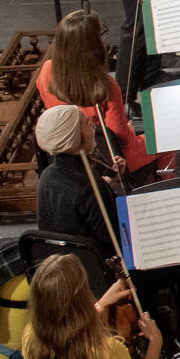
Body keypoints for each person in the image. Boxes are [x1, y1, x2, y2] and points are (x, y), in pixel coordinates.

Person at [23, 253, 161, 359]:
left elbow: (63, 329)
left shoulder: (29, 335)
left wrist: (100, 306)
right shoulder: (106, 348)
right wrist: (155, 341)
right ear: (83, 297)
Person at [37, 8, 159, 175]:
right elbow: (120, 140)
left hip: (70, 152)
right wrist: (129, 131)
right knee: (168, 140)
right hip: (107, 158)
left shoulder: (46, 70)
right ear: (93, 45)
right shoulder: (105, 86)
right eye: (102, 33)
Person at [33, 106, 114, 257]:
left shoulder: (48, 175)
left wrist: (108, 182)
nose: (93, 125)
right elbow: (114, 242)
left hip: (63, 264)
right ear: (74, 136)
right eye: (86, 122)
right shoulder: (90, 185)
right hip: (98, 269)